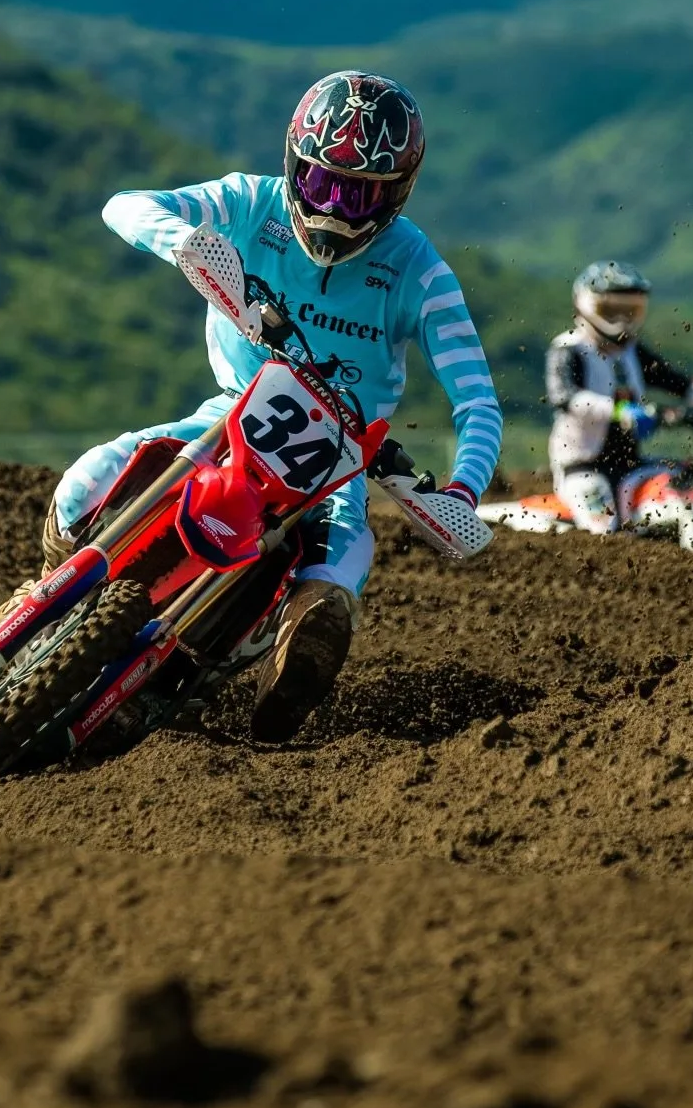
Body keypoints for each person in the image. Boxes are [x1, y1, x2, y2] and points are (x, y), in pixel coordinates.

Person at [25, 73, 502, 741]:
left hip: (337, 461)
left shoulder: (420, 271)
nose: (335, 210)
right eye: (322, 184)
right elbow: (124, 206)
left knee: (332, 590)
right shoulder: (251, 202)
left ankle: (274, 705)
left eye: (358, 193)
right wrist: (186, 241)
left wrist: (461, 491)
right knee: (83, 485)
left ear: (396, 192)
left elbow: (479, 402)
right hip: (227, 415)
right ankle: (48, 605)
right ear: (292, 167)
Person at [546, 260, 693, 533]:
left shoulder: (632, 352)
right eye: (612, 310)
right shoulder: (568, 348)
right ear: (586, 305)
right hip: (583, 468)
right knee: (603, 531)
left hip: (631, 464)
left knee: (687, 486)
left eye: (630, 310)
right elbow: (565, 397)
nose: (621, 320)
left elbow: (679, 383)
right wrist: (620, 411)